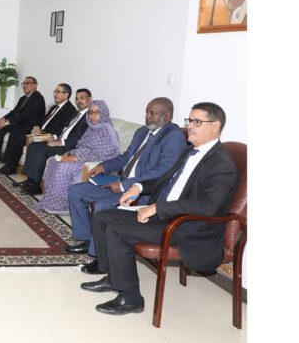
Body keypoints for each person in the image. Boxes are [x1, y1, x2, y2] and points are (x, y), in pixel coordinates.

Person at [81, 102, 238, 316]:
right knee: (102, 217)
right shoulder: (190, 151)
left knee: (117, 231)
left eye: (197, 122)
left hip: (187, 227)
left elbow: (207, 206)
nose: (190, 126)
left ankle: (131, 298)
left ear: (215, 126)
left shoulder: (222, 164)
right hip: (167, 215)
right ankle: (113, 277)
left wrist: (157, 207)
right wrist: (138, 187)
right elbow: (164, 180)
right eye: (190, 120)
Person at [65, 97, 187, 274]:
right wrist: (104, 166)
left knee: (102, 206)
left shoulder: (173, 137)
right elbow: (126, 157)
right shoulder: (142, 132)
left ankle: (101, 257)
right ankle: (87, 240)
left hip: (139, 192)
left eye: (152, 113)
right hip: (121, 182)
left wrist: (125, 185)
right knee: (76, 191)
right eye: (147, 112)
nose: (147, 117)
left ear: (166, 116)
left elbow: (163, 172)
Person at [33, 100, 120, 214]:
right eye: (91, 112)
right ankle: (52, 201)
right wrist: (70, 153)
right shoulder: (91, 128)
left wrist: (75, 157)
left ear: (103, 113)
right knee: (53, 161)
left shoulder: (107, 130)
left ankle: (64, 205)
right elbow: (81, 145)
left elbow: (103, 153)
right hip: (82, 156)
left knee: (63, 167)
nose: (93, 116)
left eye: (97, 112)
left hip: (97, 163)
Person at [16, 88, 92, 194]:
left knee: (39, 149)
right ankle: (30, 180)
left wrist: (61, 142)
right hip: (60, 142)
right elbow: (63, 129)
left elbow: (80, 138)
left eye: (82, 98)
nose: (79, 101)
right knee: (34, 145)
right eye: (77, 99)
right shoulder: (76, 114)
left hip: (69, 147)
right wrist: (54, 137)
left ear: (90, 99)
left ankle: (36, 186)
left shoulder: (89, 117)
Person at [0, 77, 46, 175]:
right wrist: (3, 119)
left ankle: (11, 167)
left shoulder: (37, 98)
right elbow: (14, 112)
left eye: (28, 83)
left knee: (16, 134)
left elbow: (25, 115)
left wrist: (7, 122)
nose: (25, 85)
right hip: (19, 123)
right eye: (24, 83)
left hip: (30, 126)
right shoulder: (23, 98)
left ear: (35, 85)